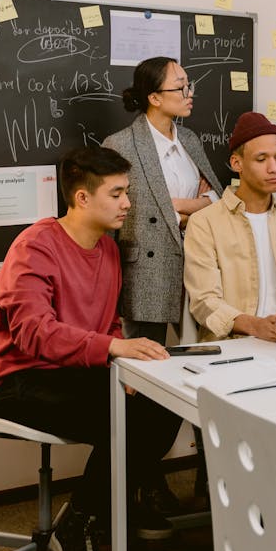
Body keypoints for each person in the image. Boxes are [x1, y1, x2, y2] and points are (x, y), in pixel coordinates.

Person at [0, 146, 183, 551]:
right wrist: (111, 351)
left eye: (128, 192)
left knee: (162, 405)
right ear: (82, 198)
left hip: (67, 373)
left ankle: (95, 507)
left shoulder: (106, 250)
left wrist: (123, 368)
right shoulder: (35, 246)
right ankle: (82, 519)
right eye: (118, 193)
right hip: (9, 378)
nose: (128, 203)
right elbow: (33, 333)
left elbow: (105, 326)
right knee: (121, 419)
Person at [184, 111, 276, 343]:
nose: (274, 168)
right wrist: (254, 326)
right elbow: (205, 302)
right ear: (237, 163)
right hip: (233, 349)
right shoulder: (205, 222)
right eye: (261, 159)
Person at [102, 56, 222, 345]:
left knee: (200, 354)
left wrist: (182, 206)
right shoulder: (120, 145)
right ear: (154, 97)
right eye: (180, 87)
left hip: (196, 263)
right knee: (143, 364)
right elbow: (110, 219)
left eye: (189, 85)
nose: (189, 93)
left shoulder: (190, 140)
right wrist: (182, 211)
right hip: (146, 271)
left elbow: (218, 198)